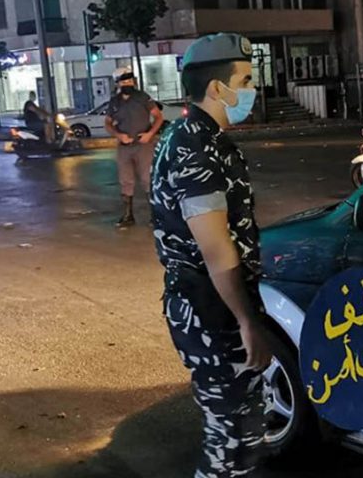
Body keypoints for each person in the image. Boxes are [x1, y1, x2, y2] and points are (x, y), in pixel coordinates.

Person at [151, 34, 273, 478]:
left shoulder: (197, 137)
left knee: (243, 433)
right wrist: (247, 320)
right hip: (211, 307)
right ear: (218, 88)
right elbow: (216, 247)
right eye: (246, 81)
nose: (253, 90)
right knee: (231, 441)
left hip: (213, 302)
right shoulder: (195, 145)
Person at [106, 68, 164, 227]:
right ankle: (128, 215)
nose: (128, 84)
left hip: (144, 145)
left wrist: (150, 134)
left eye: (130, 80)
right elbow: (108, 123)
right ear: (117, 83)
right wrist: (118, 135)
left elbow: (158, 117)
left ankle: (156, 216)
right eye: (124, 81)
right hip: (124, 147)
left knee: (147, 179)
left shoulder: (142, 97)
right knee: (126, 181)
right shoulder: (115, 102)